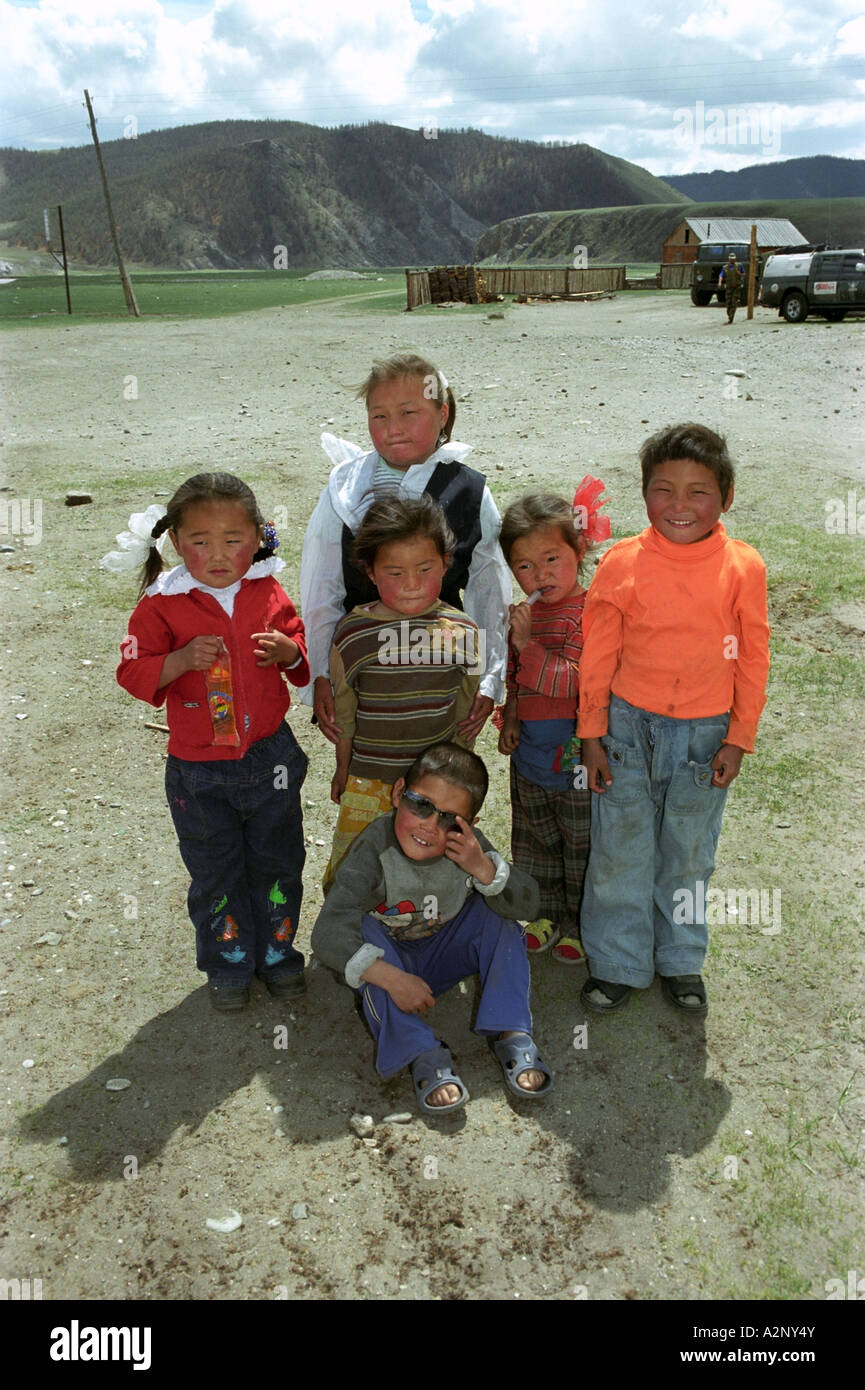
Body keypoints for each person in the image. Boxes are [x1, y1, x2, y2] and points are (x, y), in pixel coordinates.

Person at [577, 424, 770, 1016]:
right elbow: (599, 652)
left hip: (706, 736)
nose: (680, 506)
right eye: (664, 490)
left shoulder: (743, 567)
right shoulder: (621, 562)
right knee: (620, 848)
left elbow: (755, 658)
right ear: (644, 495)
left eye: (698, 492)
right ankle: (617, 962)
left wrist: (739, 738)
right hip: (627, 730)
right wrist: (591, 734)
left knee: (688, 852)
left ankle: (680, 959)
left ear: (726, 498)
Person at [108, 473, 310, 1012]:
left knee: (278, 862)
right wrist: (177, 661)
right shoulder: (162, 603)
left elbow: (300, 638)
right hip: (199, 772)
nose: (218, 554)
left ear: (258, 537)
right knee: (215, 872)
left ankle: (278, 954)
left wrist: (288, 651)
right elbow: (131, 671)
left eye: (233, 539)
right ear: (176, 542)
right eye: (199, 541)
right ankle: (228, 963)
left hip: (271, 757)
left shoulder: (268, 587)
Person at [311, 743, 553, 1114]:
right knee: (361, 930)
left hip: (443, 954)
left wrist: (484, 870)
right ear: (397, 793)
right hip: (392, 965)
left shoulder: (467, 848)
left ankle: (512, 1031)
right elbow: (327, 931)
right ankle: (422, 1051)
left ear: (467, 824)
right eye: (419, 804)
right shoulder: (373, 848)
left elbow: (529, 904)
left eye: (448, 818)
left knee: (500, 919)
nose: (428, 825)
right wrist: (391, 978)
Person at [299, 352, 510, 748]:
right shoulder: (345, 488)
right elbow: (321, 588)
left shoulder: (470, 492)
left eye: (409, 412)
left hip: (443, 670)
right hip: (366, 671)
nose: (393, 428)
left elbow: (489, 590)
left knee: (439, 777)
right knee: (372, 767)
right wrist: (320, 673)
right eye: (379, 416)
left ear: (443, 413)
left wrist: (489, 676)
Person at [323, 494, 481, 891]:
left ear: (446, 562)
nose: (411, 584)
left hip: (436, 795)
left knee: (427, 874)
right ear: (371, 573)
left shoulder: (463, 633)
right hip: (368, 781)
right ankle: (344, 940)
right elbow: (345, 712)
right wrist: (344, 768)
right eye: (394, 572)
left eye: (424, 568)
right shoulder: (353, 635)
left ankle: (420, 938)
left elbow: (465, 716)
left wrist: (459, 784)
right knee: (354, 872)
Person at [496, 480, 610, 965]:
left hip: (576, 759)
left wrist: (529, 647)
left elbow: (582, 682)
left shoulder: (589, 612)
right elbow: (519, 677)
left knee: (580, 845)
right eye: (524, 565)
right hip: (531, 757)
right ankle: (543, 913)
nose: (539, 573)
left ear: (579, 551)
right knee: (535, 840)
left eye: (551, 559)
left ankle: (583, 924)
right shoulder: (526, 615)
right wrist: (512, 716)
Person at [718, 252, 744, 323]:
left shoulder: (739, 266)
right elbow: (721, 275)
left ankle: (731, 316)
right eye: (731, 259)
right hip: (729, 288)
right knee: (728, 302)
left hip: (736, 287)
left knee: (734, 302)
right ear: (729, 259)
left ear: (735, 259)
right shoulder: (725, 267)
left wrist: (740, 274)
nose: (732, 260)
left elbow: (744, 274)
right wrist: (720, 282)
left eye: (733, 259)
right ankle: (729, 313)